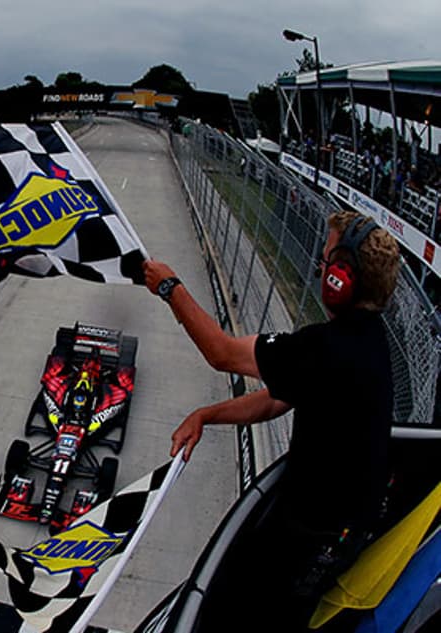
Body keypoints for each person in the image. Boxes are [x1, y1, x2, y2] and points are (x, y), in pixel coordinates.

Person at [142, 209, 401, 631]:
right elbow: (277, 400)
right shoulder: (369, 341)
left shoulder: (323, 347)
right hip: (337, 538)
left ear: (341, 279)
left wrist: (170, 287)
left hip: (301, 540)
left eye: (326, 260)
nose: (320, 268)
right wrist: (207, 415)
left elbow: (222, 353)